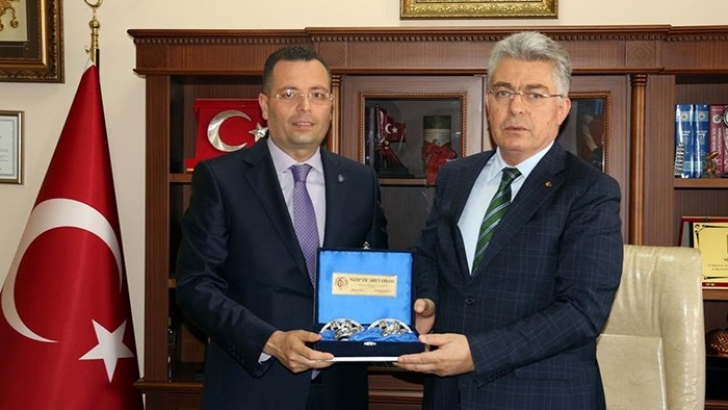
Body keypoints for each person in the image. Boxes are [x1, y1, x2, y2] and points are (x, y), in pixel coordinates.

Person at [396, 31, 624, 409]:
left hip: (541, 397)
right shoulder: (456, 176)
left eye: (534, 94)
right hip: (449, 394)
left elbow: (583, 311)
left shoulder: (590, 190)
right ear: (489, 102)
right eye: (504, 92)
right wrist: (427, 299)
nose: (516, 107)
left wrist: (477, 353)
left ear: (562, 108)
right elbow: (429, 255)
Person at [175, 45, 388, 410]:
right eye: (289, 94)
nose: (305, 107)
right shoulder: (222, 179)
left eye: (317, 95)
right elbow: (196, 286)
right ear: (264, 104)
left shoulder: (360, 181)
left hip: (340, 391)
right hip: (252, 389)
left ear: (331, 104)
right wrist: (270, 341)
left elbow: (376, 274)